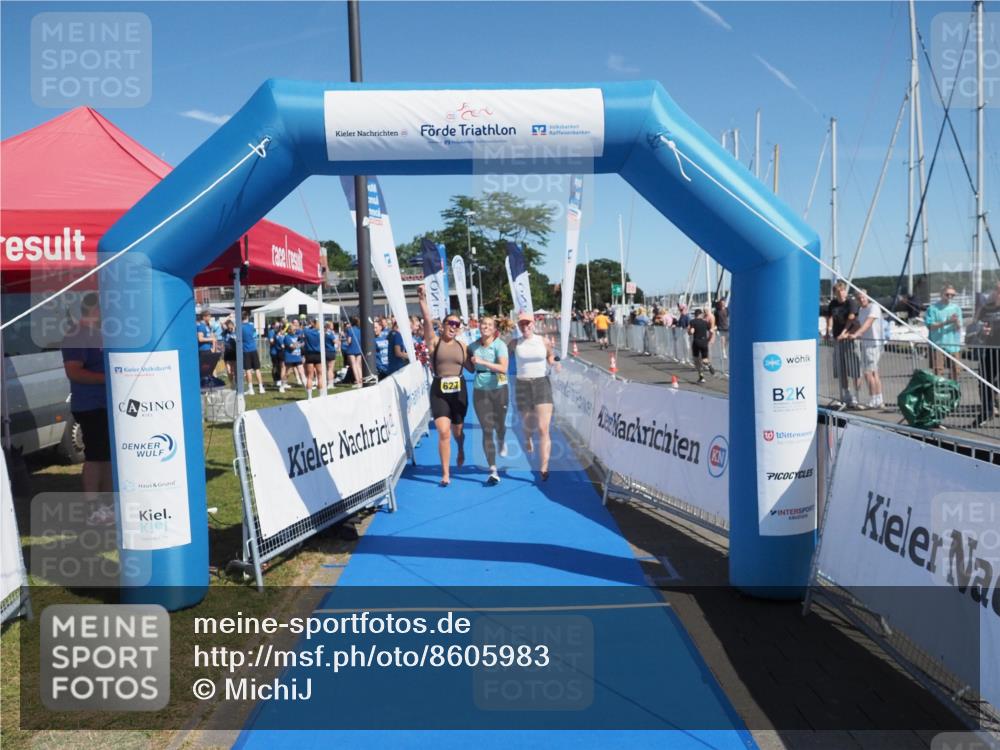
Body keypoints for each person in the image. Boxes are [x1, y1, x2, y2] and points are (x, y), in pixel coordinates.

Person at [61, 293, 114, 525]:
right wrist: (108, 378)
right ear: (95, 310)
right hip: (90, 405)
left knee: (108, 456)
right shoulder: (77, 335)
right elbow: (73, 371)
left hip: (105, 404)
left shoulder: (98, 333)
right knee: (96, 456)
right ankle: (94, 507)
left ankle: (108, 505)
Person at [418, 285, 473, 486]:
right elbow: (426, 321)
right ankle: (446, 473)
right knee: (443, 431)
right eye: (450, 323)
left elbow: (472, 368)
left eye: (457, 325)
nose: (453, 326)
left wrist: (477, 361)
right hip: (439, 390)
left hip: (459, 391)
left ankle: (460, 448)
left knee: (457, 431)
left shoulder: (463, 346)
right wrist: (423, 301)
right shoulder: (434, 342)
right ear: (443, 325)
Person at [511, 312, 558, 480]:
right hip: (522, 385)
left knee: (543, 428)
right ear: (518, 326)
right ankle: (527, 438)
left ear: (533, 324)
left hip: (541, 383)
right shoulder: (515, 343)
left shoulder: (543, 341)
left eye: (527, 323)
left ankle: (544, 467)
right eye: (522, 324)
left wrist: (554, 363)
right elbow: (501, 356)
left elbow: (550, 355)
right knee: (528, 424)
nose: (525, 327)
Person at [468, 316, 510, 485]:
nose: (485, 327)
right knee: (486, 429)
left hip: (499, 389)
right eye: (483, 324)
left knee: (500, 424)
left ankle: (501, 439)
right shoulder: (472, 346)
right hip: (480, 390)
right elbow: (468, 367)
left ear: (494, 329)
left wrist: (482, 361)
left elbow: (503, 368)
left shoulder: (500, 345)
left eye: (489, 325)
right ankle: (493, 469)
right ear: (479, 327)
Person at [825, 281, 862, 409]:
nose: (841, 293)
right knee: (841, 368)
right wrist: (828, 331)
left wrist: (844, 333)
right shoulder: (833, 304)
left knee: (854, 368)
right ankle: (845, 395)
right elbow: (829, 316)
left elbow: (851, 318)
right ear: (835, 293)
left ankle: (857, 396)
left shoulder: (851, 302)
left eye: (842, 291)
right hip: (838, 339)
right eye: (838, 291)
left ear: (845, 291)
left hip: (850, 338)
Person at [969, 281, 1000, 428]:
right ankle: (987, 411)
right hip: (990, 350)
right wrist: (982, 331)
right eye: (997, 289)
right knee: (985, 380)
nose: (998, 293)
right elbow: (973, 328)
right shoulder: (986, 308)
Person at [851, 289, 884, 409]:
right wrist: (849, 332)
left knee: (868, 372)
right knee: (874, 372)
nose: (861, 299)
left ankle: (873, 399)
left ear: (867, 296)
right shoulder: (861, 310)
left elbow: (868, 323)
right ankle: (878, 399)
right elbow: (859, 324)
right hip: (866, 343)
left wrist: (857, 334)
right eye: (859, 298)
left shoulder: (873, 307)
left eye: (863, 297)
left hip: (874, 343)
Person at [925, 284, 963, 382]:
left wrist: (956, 322)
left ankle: (953, 390)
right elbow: (930, 326)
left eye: (952, 295)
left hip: (953, 344)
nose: (950, 297)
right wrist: (947, 322)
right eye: (947, 294)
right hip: (938, 344)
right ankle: (938, 392)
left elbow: (959, 327)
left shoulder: (956, 308)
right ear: (941, 294)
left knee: (956, 370)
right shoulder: (932, 309)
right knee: (938, 371)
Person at [688, 309, 715, 383]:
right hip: (704, 342)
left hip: (696, 342)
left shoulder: (692, 322)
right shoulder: (705, 322)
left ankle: (701, 376)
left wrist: (690, 332)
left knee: (696, 360)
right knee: (704, 358)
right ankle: (708, 364)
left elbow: (691, 331)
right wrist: (709, 339)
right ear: (701, 314)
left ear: (695, 315)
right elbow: (711, 331)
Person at [241, 311, 265, 395]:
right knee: (257, 369)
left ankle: (251, 389)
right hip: (253, 349)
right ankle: (261, 387)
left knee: (248, 370)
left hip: (245, 350)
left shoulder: (239, 327)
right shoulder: (251, 326)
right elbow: (255, 334)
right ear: (247, 317)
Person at [301, 317, 324, 395]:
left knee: (309, 376)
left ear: (313, 323)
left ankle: (309, 396)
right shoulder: (321, 332)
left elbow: (303, 330)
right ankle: (320, 394)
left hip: (310, 354)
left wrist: (308, 325)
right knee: (320, 376)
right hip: (318, 354)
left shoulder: (307, 331)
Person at [282, 319, 306, 391]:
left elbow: (302, 344)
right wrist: (298, 343)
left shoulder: (296, 336)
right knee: (288, 373)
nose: (295, 331)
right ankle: (282, 385)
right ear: (289, 330)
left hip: (297, 357)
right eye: (293, 330)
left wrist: (299, 343)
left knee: (301, 372)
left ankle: (306, 387)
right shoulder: (287, 337)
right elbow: (292, 347)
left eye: (295, 330)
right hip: (290, 357)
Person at [343, 316, 364, 388]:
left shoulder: (349, 330)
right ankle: (361, 381)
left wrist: (345, 340)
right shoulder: (360, 329)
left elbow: (349, 341)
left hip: (352, 349)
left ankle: (358, 382)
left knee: (354, 365)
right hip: (359, 348)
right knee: (359, 365)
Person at [268, 320, 287, 393]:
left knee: (281, 366)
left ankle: (281, 380)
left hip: (280, 352)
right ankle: (276, 380)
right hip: (274, 352)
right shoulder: (271, 332)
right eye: (276, 325)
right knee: (275, 366)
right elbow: (271, 341)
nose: (278, 326)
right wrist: (277, 339)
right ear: (273, 325)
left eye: (278, 325)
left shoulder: (280, 332)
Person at [324, 320, 339, 390]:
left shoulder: (324, 333)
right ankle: (330, 383)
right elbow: (335, 342)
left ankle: (328, 382)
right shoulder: (330, 334)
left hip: (326, 351)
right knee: (330, 369)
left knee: (327, 368)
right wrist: (339, 341)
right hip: (331, 351)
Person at [221, 319, 238, 383]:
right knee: (229, 370)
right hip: (227, 352)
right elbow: (222, 323)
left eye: (231, 327)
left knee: (235, 369)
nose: (230, 329)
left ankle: (237, 383)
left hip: (235, 352)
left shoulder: (236, 332)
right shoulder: (225, 332)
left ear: (233, 326)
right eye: (228, 328)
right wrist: (228, 317)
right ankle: (232, 383)